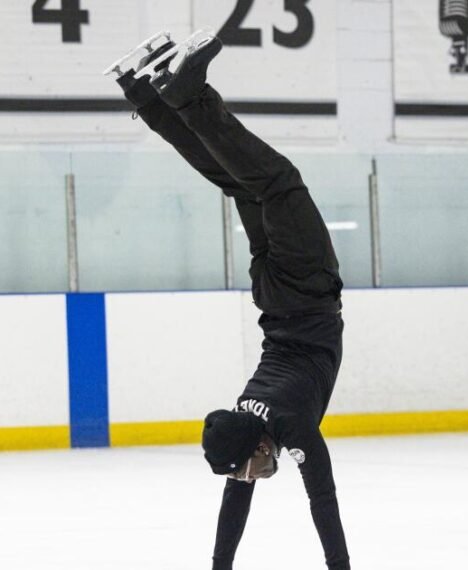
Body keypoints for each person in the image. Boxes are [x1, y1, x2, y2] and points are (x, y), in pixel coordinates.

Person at [108, 30, 350, 570]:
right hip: (271, 294)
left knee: (280, 183)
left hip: (305, 290)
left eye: (244, 471)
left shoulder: (288, 426)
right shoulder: (242, 416)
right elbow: (234, 503)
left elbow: (323, 502)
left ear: (259, 448)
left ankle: (189, 95)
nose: (247, 480)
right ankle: (149, 100)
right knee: (245, 187)